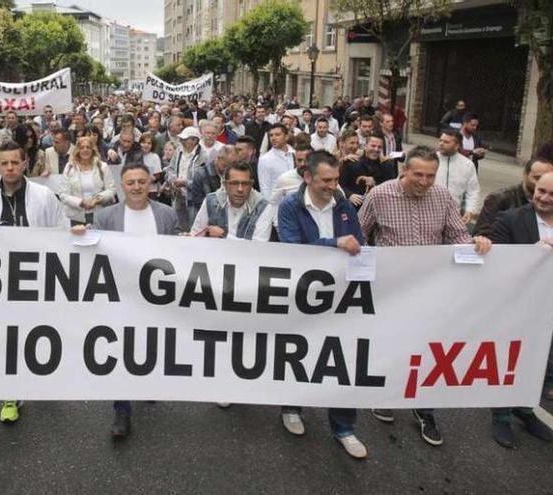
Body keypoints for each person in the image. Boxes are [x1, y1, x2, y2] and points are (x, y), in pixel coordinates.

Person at [359, 146, 492, 447]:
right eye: (417, 174)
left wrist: (475, 243)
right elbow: (358, 233)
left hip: (432, 290)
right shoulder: (379, 195)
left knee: (430, 350)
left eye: (430, 176)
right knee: (392, 345)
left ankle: (424, 409)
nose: (424, 181)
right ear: (403, 170)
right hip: (391, 290)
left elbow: (457, 234)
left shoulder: (443, 197)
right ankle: (385, 393)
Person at [275, 150, 366, 459]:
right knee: (298, 352)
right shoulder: (290, 206)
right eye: (326, 180)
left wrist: (351, 247)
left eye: (336, 179)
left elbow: (359, 241)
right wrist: (334, 244)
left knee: (341, 359)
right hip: (303, 295)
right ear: (308, 177)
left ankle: (344, 427)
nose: (333, 185)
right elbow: (292, 250)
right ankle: (291, 407)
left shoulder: (342, 203)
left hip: (340, 295)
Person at [79, 162, 180, 437]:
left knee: (150, 345)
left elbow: (179, 255)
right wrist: (78, 238)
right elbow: (94, 253)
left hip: (155, 297)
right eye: (130, 182)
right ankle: (121, 408)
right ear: (122, 186)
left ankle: (146, 385)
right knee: (121, 351)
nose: (136, 187)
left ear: (150, 184)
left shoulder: (167, 215)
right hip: (119, 297)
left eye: (141, 182)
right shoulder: (106, 217)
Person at [0, 140, 67, 423]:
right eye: (4, 163)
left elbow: (60, 233)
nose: (10, 168)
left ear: (25, 163)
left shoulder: (45, 195)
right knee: (7, 338)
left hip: (39, 278)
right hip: (1, 283)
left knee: (41, 333)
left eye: (15, 162)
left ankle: (44, 379)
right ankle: (11, 393)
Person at [486, 171, 553, 448]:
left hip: (548, 308)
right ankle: (501, 416)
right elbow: (497, 267)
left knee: (542, 362)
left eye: (551, 194)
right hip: (518, 307)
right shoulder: (511, 219)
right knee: (510, 359)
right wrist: (531, 255)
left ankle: (525, 408)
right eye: (540, 191)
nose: (544, 198)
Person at [475, 157, 553, 237]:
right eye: (538, 178)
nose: (543, 182)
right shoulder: (499, 198)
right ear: (525, 175)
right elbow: (482, 235)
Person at [190, 160, 268, 240]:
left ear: (251, 184)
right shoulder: (211, 201)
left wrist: (224, 236)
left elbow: (259, 246)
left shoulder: (262, 207)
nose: (240, 189)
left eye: (245, 184)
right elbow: (196, 234)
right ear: (225, 184)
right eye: (234, 183)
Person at [58, 136, 116, 226]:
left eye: (88, 147)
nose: (85, 150)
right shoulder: (69, 167)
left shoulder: (102, 166)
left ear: (93, 149)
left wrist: (97, 199)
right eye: (82, 147)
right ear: (78, 150)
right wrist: (81, 202)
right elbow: (63, 194)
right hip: (76, 217)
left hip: (98, 214)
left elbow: (111, 190)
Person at [339, 133, 397, 209]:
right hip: (355, 208)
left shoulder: (387, 166)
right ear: (365, 147)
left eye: (379, 147)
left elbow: (392, 189)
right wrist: (349, 195)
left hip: (378, 208)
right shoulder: (351, 162)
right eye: (373, 146)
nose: (376, 149)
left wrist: (375, 184)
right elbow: (340, 186)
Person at [436, 129, 481, 224]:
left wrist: (470, 210)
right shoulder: (431, 160)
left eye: (446, 142)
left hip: (454, 216)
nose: (441, 143)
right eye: (440, 140)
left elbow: (473, 191)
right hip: (429, 213)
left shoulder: (467, 165)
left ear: (457, 146)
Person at [168, 126, 208, 230]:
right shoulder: (178, 151)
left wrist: (185, 183)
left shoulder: (204, 157)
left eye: (185, 139)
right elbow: (170, 168)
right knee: (177, 226)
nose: (181, 141)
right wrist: (173, 181)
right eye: (182, 139)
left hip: (194, 200)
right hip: (177, 196)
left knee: (192, 227)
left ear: (195, 141)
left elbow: (203, 182)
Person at [187, 145, 237, 218]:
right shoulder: (201, 174)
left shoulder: (233, 172)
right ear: (218, 158)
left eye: (232, 165)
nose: (228, 169)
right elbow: (196, 201)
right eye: (225, 166)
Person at [257, 123, 295, 201]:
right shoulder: (265, 159)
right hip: (276, 205)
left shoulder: (295, 155)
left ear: (286, 137)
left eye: (277, 135)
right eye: (271, 135)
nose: (273, 138)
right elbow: (265, 189)